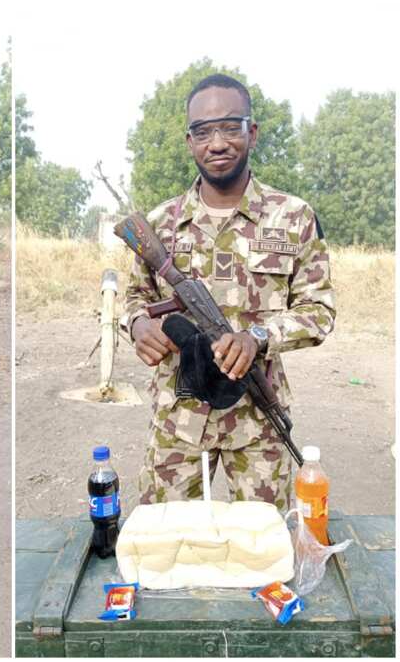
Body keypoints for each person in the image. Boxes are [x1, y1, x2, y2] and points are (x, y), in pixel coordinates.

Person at [121, 74, 335, 511]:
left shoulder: (293, 218)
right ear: (189, 141)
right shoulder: (159, 225)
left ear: (251, 132)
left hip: (258, 424)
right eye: (203, 131)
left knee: (262, 552)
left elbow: (319, 310)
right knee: (165, 547)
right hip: (177, 422)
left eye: (229, 127)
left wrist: (258, 338)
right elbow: (133, 297)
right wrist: (139, 324)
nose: (217, 143)